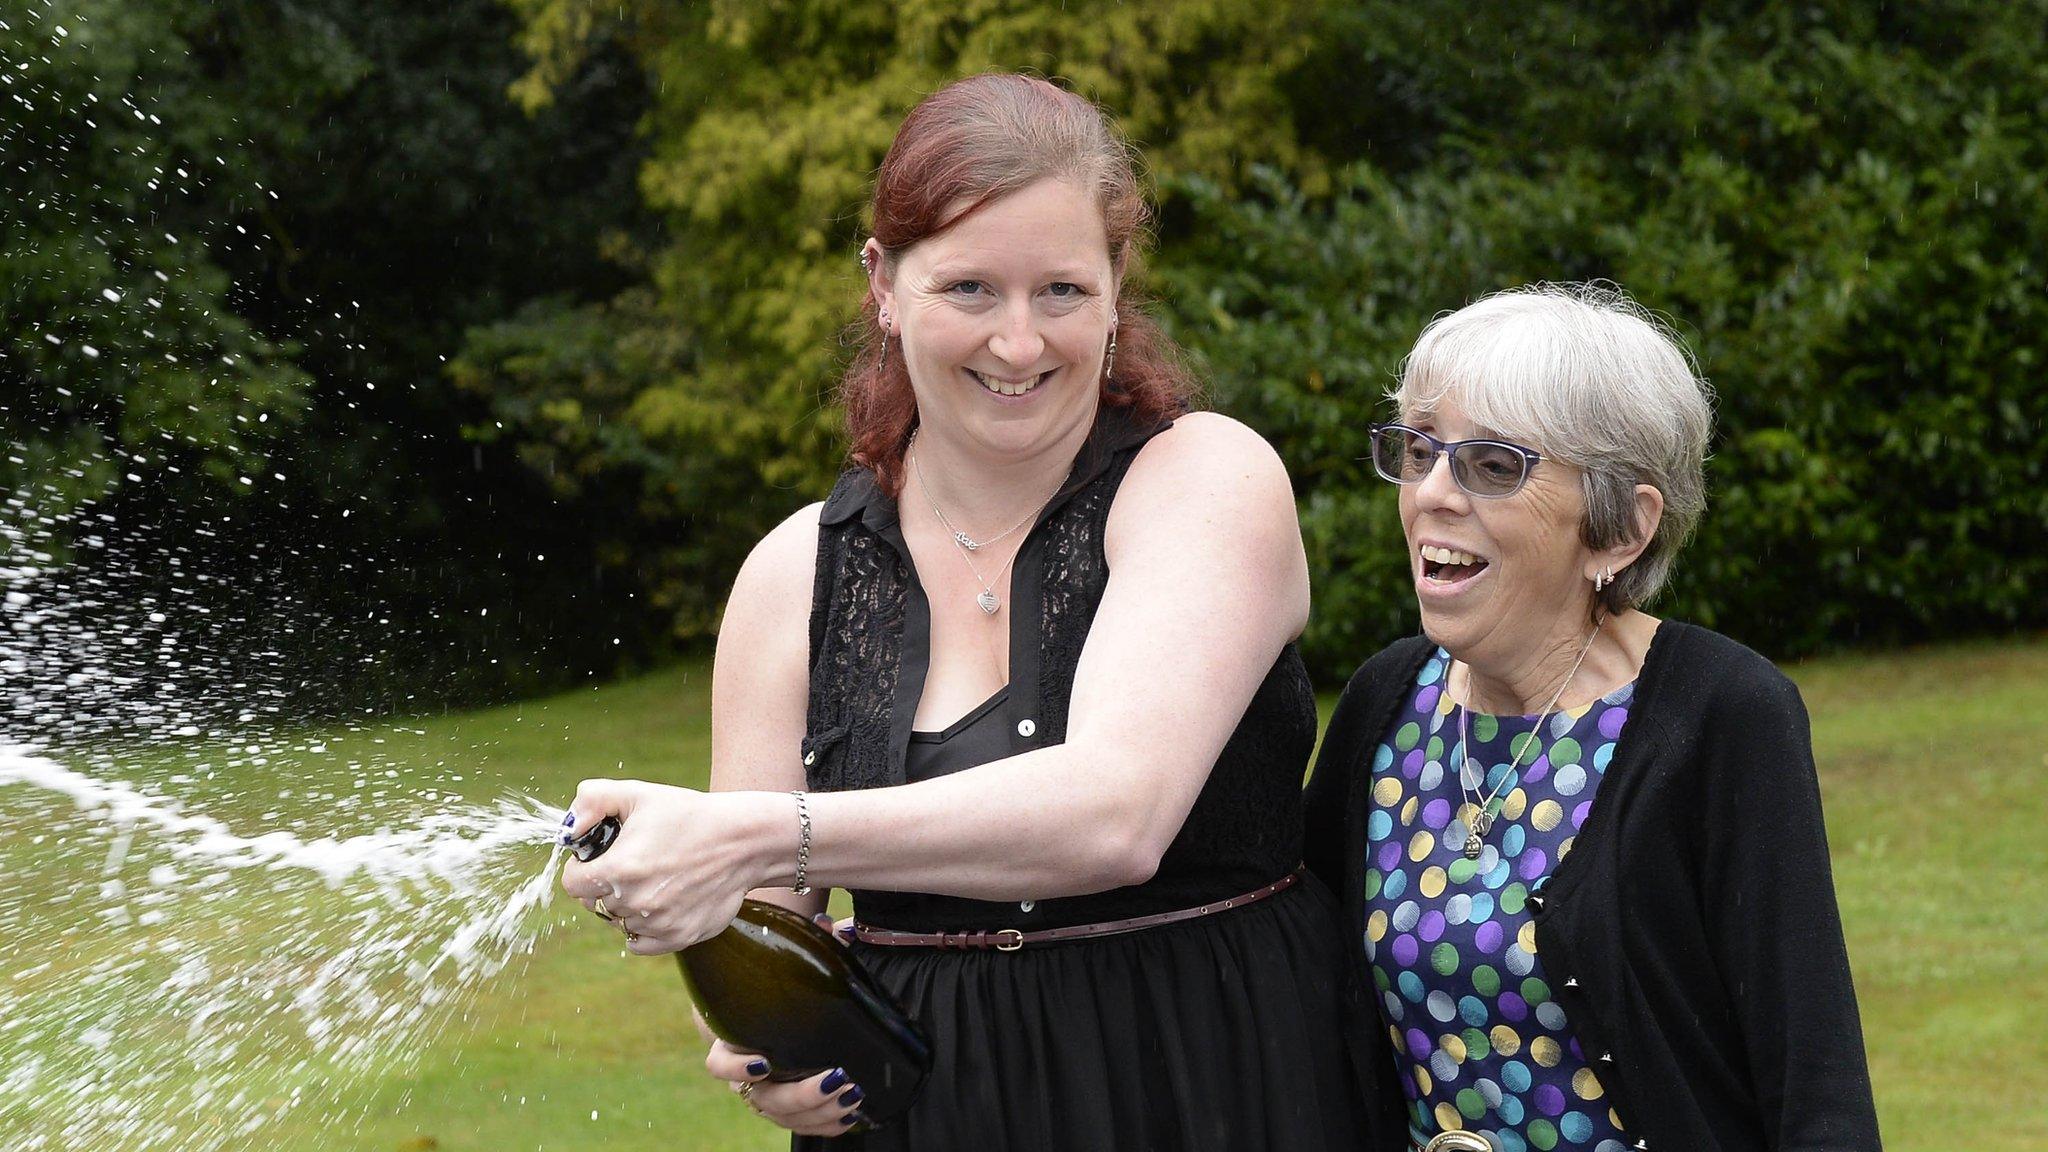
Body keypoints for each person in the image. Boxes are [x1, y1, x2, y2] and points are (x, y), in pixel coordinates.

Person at [560, 73, 1366, 1151]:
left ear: (1118, 284)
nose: (1020, 343)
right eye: (970, 290)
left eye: (1063, 292)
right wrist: (760, 1042)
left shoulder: (1206, 482)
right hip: (924, 1114)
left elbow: (1113, 816)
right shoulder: (790, 576)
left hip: (1213, 1076)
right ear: (882, 285)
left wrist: (750, 836)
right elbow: (764, 936)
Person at [1304, 283, 1883, 1152]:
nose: (1431, 493)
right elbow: (1304, 1003)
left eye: (1493, 466)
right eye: (1419, 451)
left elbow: (1814, 1077)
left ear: (1620, 530)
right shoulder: (1385, 702)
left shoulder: (1724, 717)